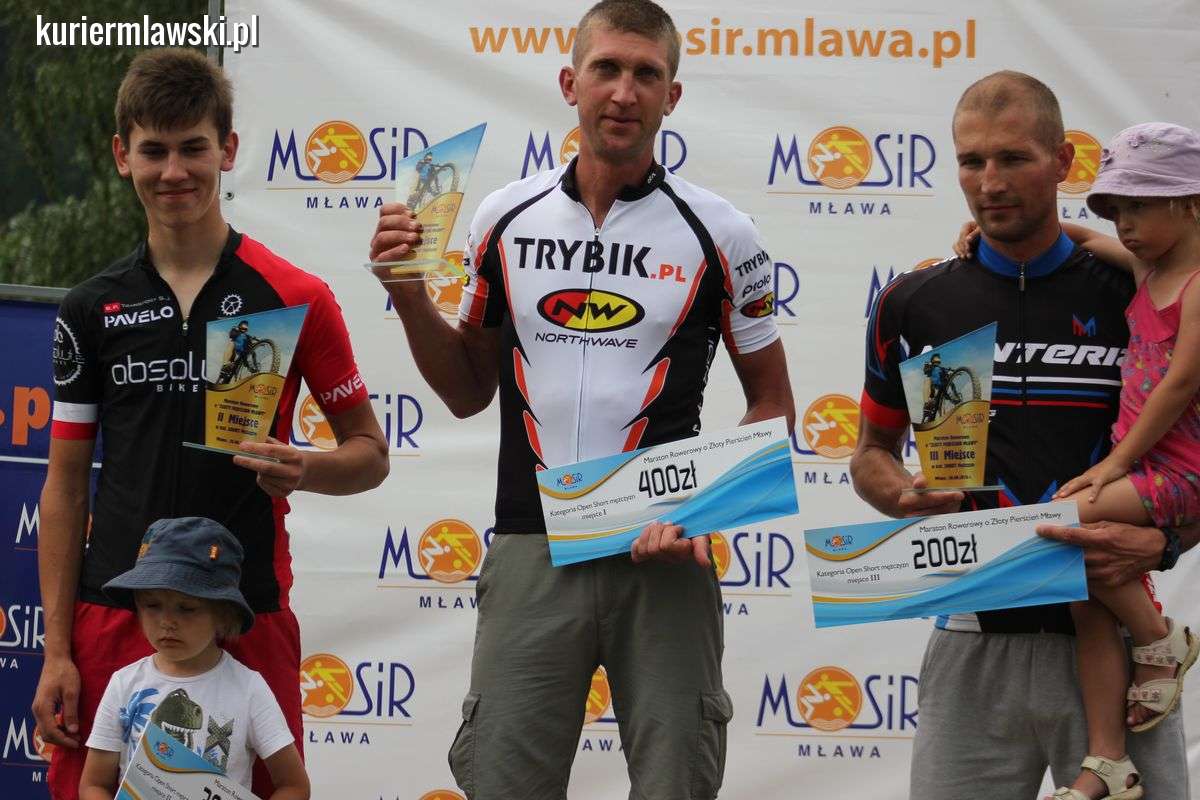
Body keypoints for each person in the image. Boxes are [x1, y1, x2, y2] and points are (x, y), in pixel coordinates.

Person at [369, 1, 793, 797]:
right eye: (607, 69)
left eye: (646, 74)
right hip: (532, 547)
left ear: (672, 96)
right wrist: (408, 297)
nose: (624, 92)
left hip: (660, 555)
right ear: (570, 83)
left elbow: (773, 404)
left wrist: (700, 510)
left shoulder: (723, 232)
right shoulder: (503, 216)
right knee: (503, 782)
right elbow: (466, 391)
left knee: (676, 785)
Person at [36, 48, 389, 800]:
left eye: (193, 148)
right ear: (122, 156)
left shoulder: (294, 295)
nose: (174, 171)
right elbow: (64, 488)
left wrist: (306, 467)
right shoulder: (91, 308)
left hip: (243, 612)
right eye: (153, 151)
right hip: (117, 612)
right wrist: (55, 651)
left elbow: (370, 454)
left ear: (227, 149)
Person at [850, 71, 1198, 800]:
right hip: (971, 638)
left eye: (1013, 158)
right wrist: (902, 493)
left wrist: (1166, 543)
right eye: (971, 161)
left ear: (1064, 161)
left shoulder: (1140, 289)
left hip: (1113, 642)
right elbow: (870, 455)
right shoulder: (916, 302)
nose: (991, 182)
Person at [952, 122, 1200, 800]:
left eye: (1140, 206)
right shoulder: (1147, 269)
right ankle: (1108, 762)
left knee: (1057, 521)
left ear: (1192, 203)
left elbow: (1179, 383)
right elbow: (1082, 240)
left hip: (1175, 473)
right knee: (1082, 596)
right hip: (1146, 470)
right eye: (1117, 209)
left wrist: (1117, 463)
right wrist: (987, 233)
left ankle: (1160, 639)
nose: (1125, 224)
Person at [78, 517, 309, 800]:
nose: (167, 622)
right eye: (152, 605)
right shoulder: (124, 683)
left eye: (187, 608)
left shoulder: (249, 688)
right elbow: (94, 784)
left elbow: (294, 786)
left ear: (224, 614)